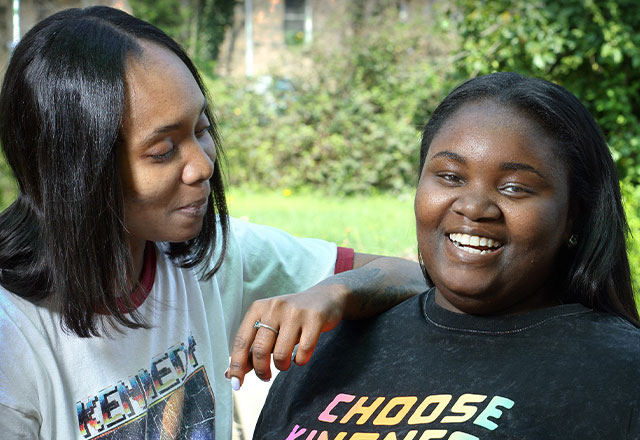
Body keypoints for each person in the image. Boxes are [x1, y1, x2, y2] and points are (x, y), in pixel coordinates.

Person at [0, 7, 426, 440]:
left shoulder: (210, 255)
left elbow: (411, 276)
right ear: (76, 170)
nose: (202, 166)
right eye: (164, 150)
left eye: (201, 129)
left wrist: (335, 292)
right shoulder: (11, 337)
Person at [253, 72, 640, 440]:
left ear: (574, 213)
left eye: (514, 187)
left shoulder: (621, 372)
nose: (473, 207)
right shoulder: (328, 346)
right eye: (451, 176)